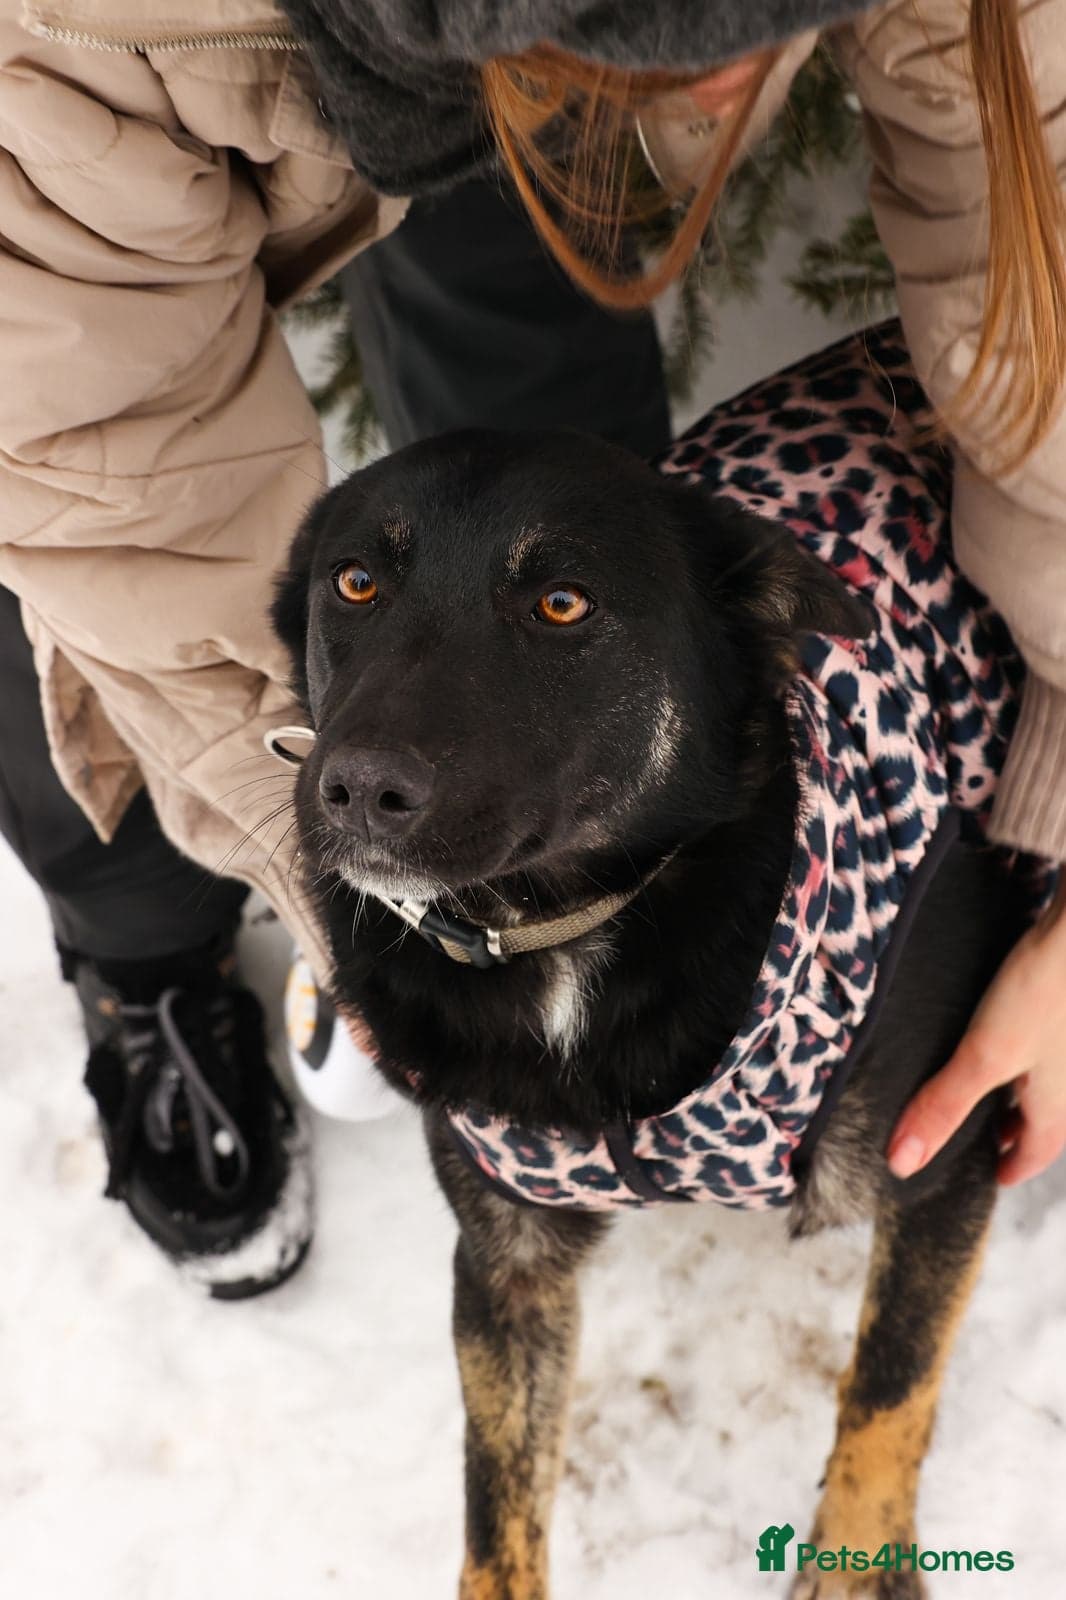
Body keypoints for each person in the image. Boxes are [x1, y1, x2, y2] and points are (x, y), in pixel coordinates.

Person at [0, 0, 1061, 1295]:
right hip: (71, 204)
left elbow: (1043, 308)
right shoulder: (74, 47)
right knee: (58, 566)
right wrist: (341, 882)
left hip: (479, 72)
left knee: (521, 441)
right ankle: (148, 966)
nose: (733, 93)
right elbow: (103, 486)